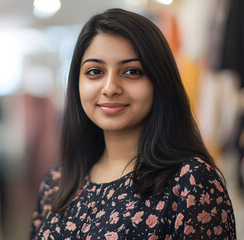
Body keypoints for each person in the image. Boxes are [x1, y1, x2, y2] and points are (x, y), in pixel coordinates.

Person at [30, 8, 237, 239]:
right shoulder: (55, 184)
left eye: (131, 71)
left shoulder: (191, 182)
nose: (110, 88)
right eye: (95, 71)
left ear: (159, 81)